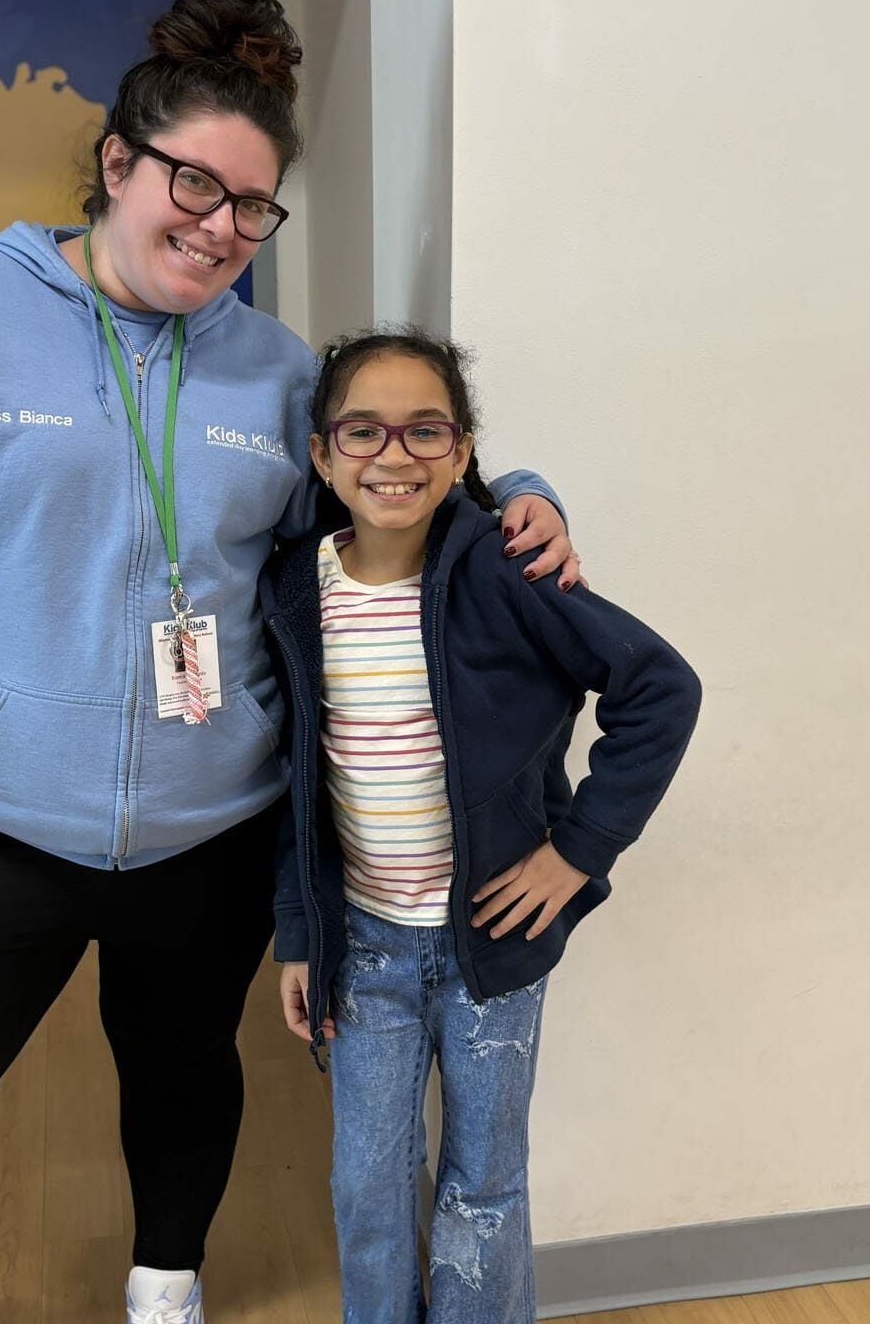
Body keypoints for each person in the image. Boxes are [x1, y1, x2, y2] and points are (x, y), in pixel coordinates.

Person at [0, 0, 578, 1324]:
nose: (219, 228)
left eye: (251, 207)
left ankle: (167, 1277)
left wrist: (524, 495)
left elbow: (399, 485)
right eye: (193, 186)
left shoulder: (275, 374)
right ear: (117, 164)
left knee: (182, 1074)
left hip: (213, 824)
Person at [266, 329, 701, 1323]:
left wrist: (578, 853)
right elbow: (296, 784)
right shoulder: (293, 588)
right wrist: (301, 930)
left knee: (484, 1188)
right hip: (361, 954)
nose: (394, 455)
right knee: (367, 1187)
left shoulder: (509, 573)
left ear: (463, 454)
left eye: (427, 432)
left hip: (494, 950)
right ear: (324, 454)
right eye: (363, 432)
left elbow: (659, 689)